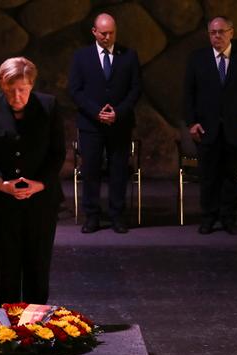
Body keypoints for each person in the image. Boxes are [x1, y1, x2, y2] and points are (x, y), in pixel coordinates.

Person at [0, 57, 65, 306]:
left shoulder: (49, 106)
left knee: (38, 264)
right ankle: (8, 326)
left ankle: (36, 327)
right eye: (10, 89)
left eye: (22, 89)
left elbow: (58, 153)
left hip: (41, 200)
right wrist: (0, 182)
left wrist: (40, 183)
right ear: (2, 85)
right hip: (1, 201)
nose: (17, 96)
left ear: (31, 85)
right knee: (6, 266)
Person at [68, 13, 141, 234]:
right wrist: (96, 112)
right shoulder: (81, 56)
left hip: (120, 123)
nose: (107, 37)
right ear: (94, 32)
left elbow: (135, 88)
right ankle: (92, 216)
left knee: (118, 169)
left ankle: (117, 215)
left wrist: (117, 112)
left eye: (111, 33)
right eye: (103, 33)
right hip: (91, 124)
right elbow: (75, 90)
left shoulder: (128, 55)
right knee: (91, 170)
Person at [184, 16, 237, 235]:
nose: (217, 36)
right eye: (213, 32)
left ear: (231, 32)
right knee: (208, 176)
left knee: (231, 176)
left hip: (235, 129)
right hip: (207, 129)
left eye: (221, 31)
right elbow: (189, 94)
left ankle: (228, 218)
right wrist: (192, 122)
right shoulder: (197, 59)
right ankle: (208, 217)